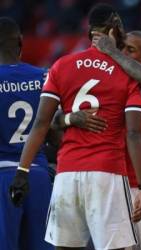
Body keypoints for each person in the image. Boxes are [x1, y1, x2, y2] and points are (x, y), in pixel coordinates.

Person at [9, 3, 141, 250]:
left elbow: (42, 123)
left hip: (67, 174)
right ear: (114, 31)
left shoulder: (62, 65)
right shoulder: (127, 71)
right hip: (107, 172)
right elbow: (134, 133)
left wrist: (23, 171)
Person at [88, 30, 141, 249]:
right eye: (122, 47)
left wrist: (111, 52)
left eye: (130, 50)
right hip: (113, 183)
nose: (123, 52)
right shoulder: (108, 83)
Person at [0, 17, 53, 250]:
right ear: (21, 41)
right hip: (39, 175)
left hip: (3, 177)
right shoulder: (44, 76)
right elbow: (55, 130)